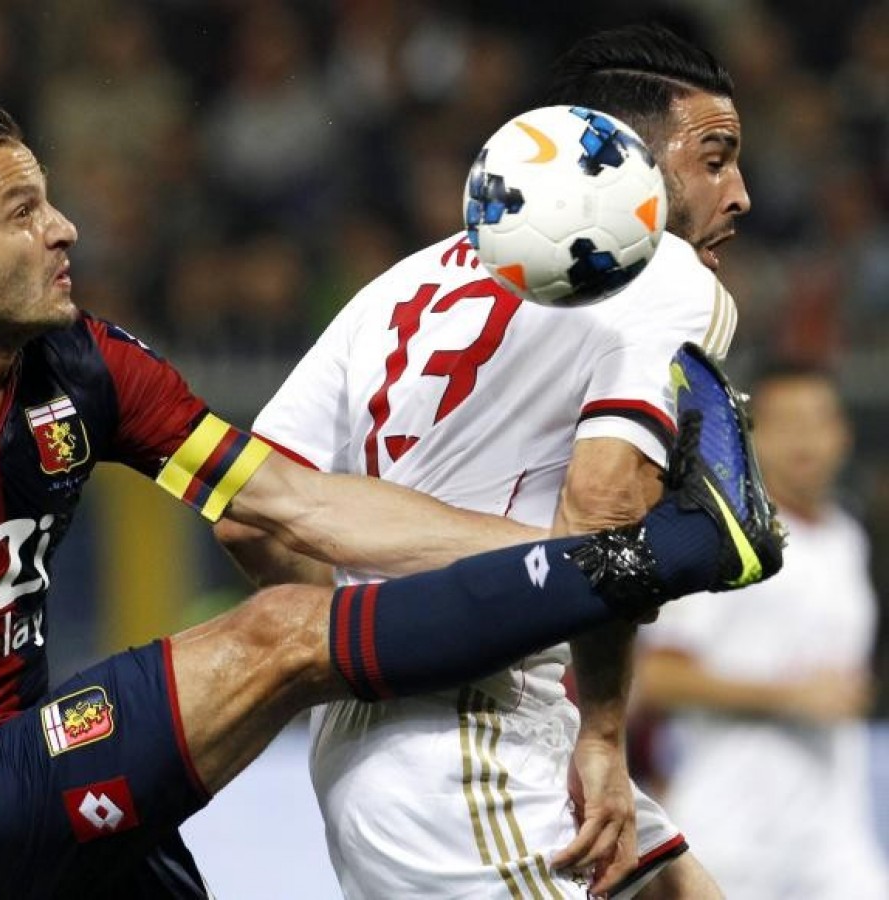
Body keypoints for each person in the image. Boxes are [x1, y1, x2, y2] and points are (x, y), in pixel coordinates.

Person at [0, 59, 781, 900]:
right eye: (24, 212)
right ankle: (684, 547)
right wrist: (632, 562)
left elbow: (294, 502)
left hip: (50, 774)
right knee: (279, 633)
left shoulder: (83, 369)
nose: (63, 227)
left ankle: (645, 555)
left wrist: (570, 560)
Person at [217, 22, 756, 900]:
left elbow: (248, 517)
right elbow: (604, 513)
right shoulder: (668, 274)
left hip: (383, 731)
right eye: (714, 160)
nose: (738, 195)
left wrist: (381, 639)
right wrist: (604, 735)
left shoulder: (399, 283)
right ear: (623, 163)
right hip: (478, 736)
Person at [636, 360, 889, 899]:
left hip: (834, 837)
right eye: (786, 423)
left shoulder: (846, 537)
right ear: (750, 437)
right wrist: (788, 696)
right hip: (735, 835)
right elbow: (656, 677)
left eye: (818, 421)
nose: (805, 440)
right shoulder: (718, 540)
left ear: (842, 434)